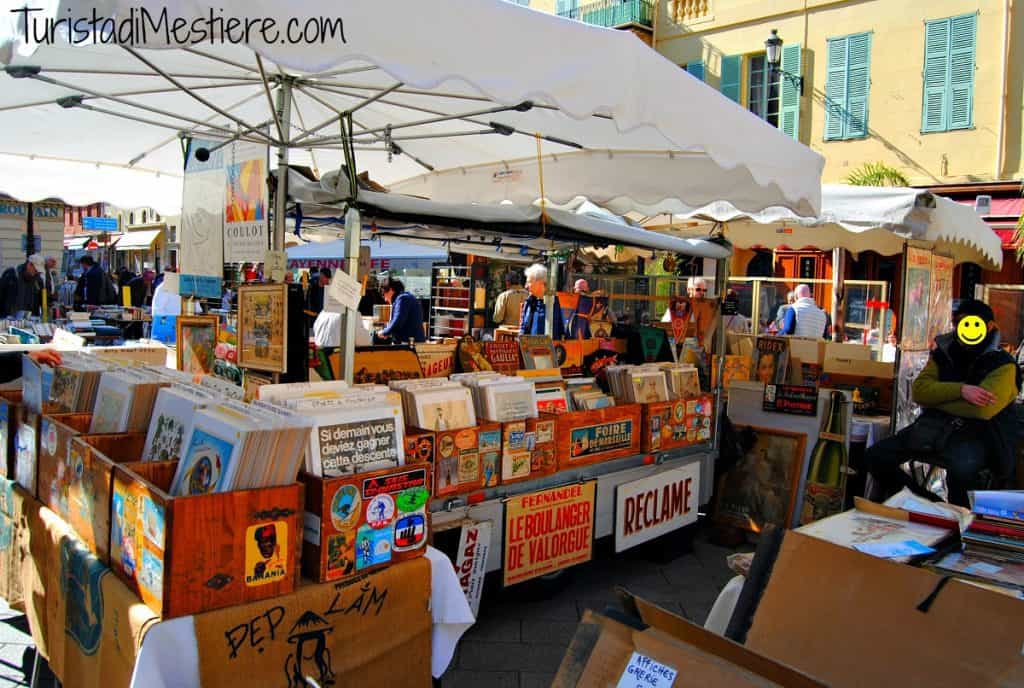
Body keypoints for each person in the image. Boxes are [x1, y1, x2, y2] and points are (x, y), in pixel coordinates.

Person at [865, 300, 1020, 507]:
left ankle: (958, 523)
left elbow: (982, 409)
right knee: (876, 456)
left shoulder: (1003, 365)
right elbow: (919, 391)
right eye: (960, 323)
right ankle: (928, 505)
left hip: (980, 436)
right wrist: (962, 391)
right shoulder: (944, 353)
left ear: (988, 327)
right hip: (934, 428)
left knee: (961, 473)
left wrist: (937, 398)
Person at [520, 263, 564, 339]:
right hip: (529, 348)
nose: (526, 286)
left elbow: (560, 330)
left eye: (529, 282)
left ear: (540, 282)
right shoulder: (529, 301)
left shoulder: (554, 303)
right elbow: (523, 327)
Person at [376, 276, 425, 343]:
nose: (385, 299)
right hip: (412, 342)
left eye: (383, 294)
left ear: (390, 290)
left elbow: (398, 321)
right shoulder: (405, 298)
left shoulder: (402, 299)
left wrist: (384, 332)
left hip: (409, 344)